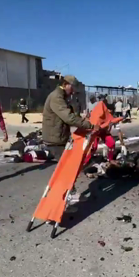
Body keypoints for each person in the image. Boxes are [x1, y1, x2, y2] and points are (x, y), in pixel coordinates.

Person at [42, 76, 99, 206]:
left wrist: (84, 120)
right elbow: (68, 117)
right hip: (54, 139)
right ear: (66, 84)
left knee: (68, 166)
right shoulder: (57, 97)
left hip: (59, 137)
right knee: (67, 167)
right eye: (72, 88)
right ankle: (68, 195)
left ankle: (65, 200)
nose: (73, 91)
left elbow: (72, 115)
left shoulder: (64, 97)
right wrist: (89, 125)